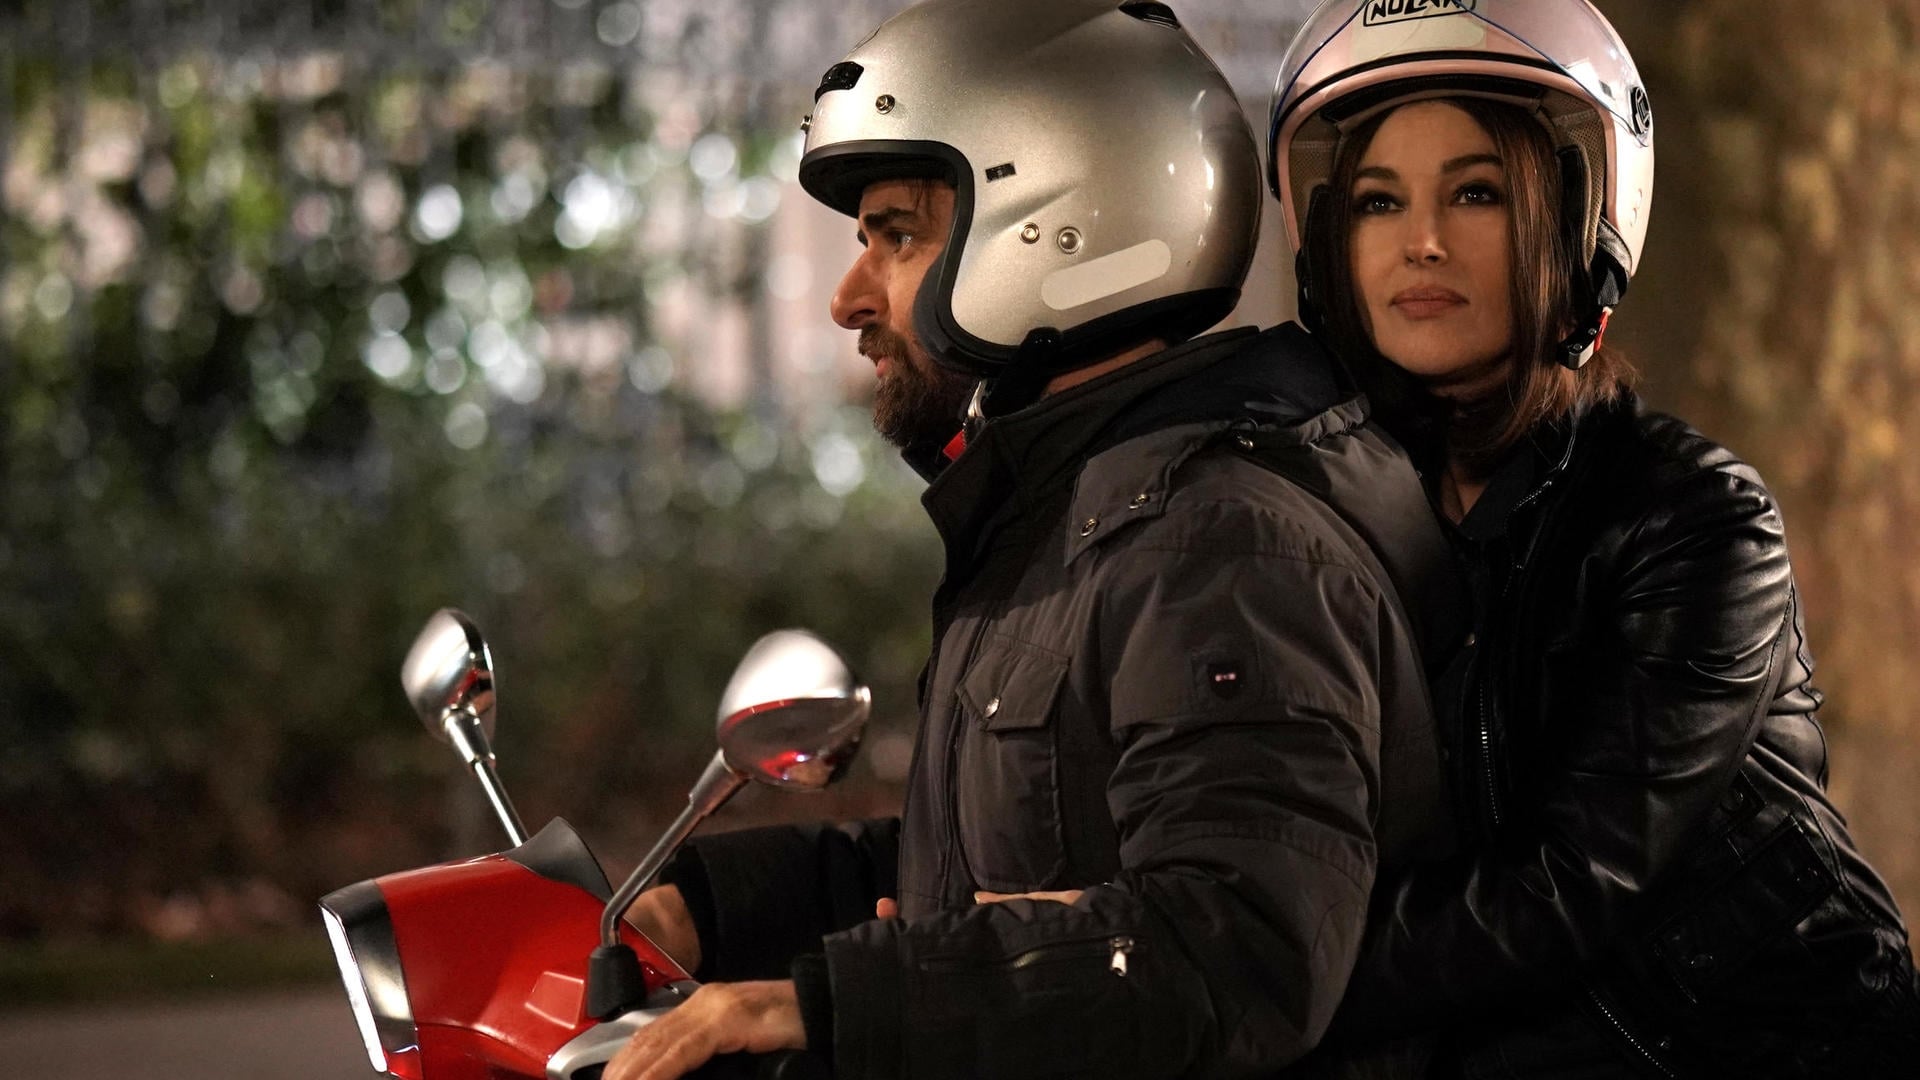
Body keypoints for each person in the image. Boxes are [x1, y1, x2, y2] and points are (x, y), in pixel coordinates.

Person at [603, 1, 1466, 1077]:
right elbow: (1000, 857)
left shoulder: (1218, 548)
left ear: (1060, 222)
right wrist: (708, 910)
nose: (848, 298)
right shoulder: (1083, 517)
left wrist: (827, 1006)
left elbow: (1231, 950)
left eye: (898, 236)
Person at [1266, 2, 1920, 1076]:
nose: (1421, 240)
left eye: (1475, 192)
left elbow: (1571, 886)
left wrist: (1237, 982)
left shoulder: (1695, 518)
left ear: (1577, 224)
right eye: (1380, 201)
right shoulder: (1333, 519)